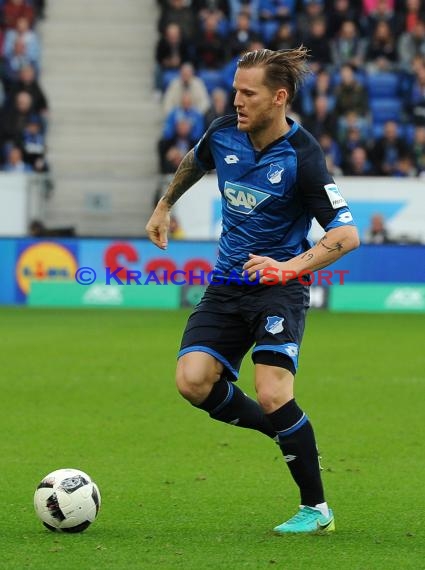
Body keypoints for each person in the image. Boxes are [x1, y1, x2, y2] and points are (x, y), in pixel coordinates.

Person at [146, 47, 359, 535]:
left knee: (271, 390)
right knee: (192, 382)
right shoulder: (223, 132)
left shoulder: (304, 158)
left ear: (278, 98)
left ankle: (317, 510)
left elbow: (346, 236)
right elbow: (194, 162)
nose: (236, 100)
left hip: (277, 290)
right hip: (226, 283)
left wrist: (286, 269)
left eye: (248, 93)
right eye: (235, 90)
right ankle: (285, 430)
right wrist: (163, 207)